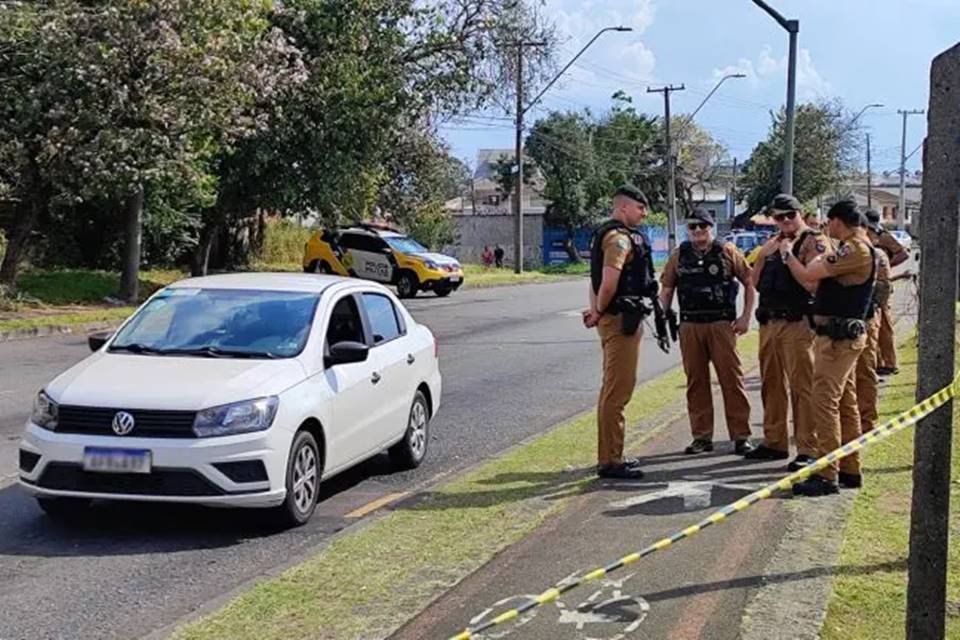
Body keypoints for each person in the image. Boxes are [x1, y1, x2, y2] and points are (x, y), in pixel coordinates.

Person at [780, 200, 876, 496]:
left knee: (824, 401)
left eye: (829, 221)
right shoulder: (851, 248)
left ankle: (826, 473)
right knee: (845, 403)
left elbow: (811, 272)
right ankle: (849, 468)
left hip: (837, 339)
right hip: (837, 337)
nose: (825, 226)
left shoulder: (854, 249)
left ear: (838, 221)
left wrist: (788, 258)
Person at [659, 209, 756, 456]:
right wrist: (663, 318)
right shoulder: (679, 254)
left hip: (722, 325)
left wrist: (746, 317)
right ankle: (702, 437)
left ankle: (741, 436)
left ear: (711, 227)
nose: (698, 231)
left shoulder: (726, 251)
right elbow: (667, 288)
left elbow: (748, 281)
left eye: (703, 226)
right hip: (691, 325)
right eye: (693, 227)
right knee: (696, 382)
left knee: (731, 380)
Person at [744, 194, 831, 470]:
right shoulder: (772, 243)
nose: (784, 222)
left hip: (798, 324)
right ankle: (774, 441)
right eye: (778, 217)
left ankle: (807, 447)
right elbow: (754, 281)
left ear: (800, 214)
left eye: (789, 216)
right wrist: (766, 253)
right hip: (770, 323)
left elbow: (812, 283)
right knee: (771, 385)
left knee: (802, 387)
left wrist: (788, 255)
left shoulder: (813, 241)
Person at [583, 185, 658, 479]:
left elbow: (594, 281)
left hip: (612, 319)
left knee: (612, 389)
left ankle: (610, 454)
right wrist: (600, 311)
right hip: (619, 321)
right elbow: (609, 282)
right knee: (618, 390)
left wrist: (596, 311)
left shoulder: (607, 235)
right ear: (624, 207)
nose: (644, 213)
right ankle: (611, 460)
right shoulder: (619, 240)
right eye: (641, 208)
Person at [855, 216, 890, 435]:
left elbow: (883, 287)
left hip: (867, 317)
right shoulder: (845, 252)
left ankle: (867, 422)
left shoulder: (876, 254)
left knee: (865, 371)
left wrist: (873, 308)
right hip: (846, 321)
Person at [864, 210, 909, 375]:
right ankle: (879, 362)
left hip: (881, 285)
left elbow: (903, 253)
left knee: (884, 324)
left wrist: (886, 265)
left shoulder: (882, 236)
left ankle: (890, 362)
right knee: (875, 325)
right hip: (873, 283)